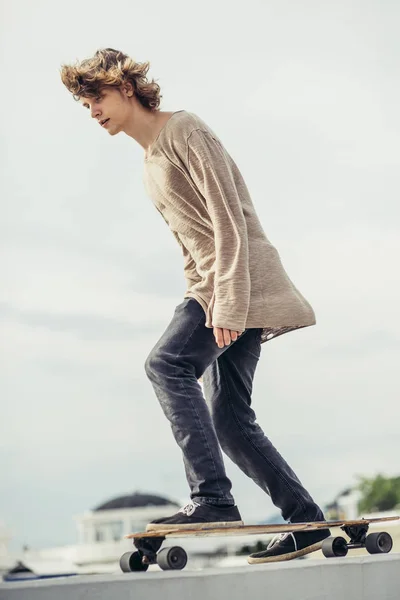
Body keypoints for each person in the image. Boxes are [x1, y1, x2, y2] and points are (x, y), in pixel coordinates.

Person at [60, 48, 330, 563]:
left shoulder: (185, 129)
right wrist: (198, 295)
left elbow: (229, 219)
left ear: (126, 86)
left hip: (237, 286)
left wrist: (226, 302)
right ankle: (305, 520)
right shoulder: (148, 165)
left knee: (166, 364)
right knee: (229, 419)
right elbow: (190, 242)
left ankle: (212, 497)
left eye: (96, 96)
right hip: (213, 289)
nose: (92, 110)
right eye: (84, 103)